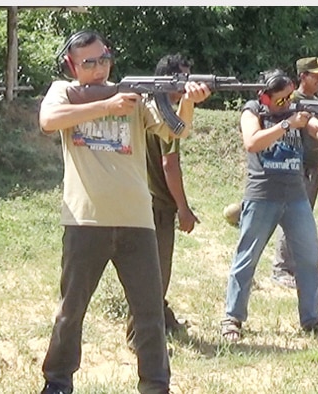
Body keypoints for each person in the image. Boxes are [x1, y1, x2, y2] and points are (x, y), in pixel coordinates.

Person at [37, 30, 210, 394]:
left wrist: (189, 101)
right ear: (71, 65)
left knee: (149, 313)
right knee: (72, 310)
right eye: (89, 62)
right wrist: (107, 106)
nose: (100, 68)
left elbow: (173, 129)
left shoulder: (135, 97)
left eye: (104, 59)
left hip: (137, 220)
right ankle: (57, 382)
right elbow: (49, 120)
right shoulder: (62, 91)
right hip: (86, 219)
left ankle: (155, 384)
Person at [221, 69, 318, 343]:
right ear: (265, 96)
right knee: (246, 259)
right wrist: (287, 124)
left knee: (309, 259)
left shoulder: (295, 110)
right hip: (262, 194)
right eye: (281, 99)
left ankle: (311, 319)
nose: (287, 103)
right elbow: (252, 142)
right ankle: (232, 318)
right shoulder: (252, 111)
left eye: (290, 97)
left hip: (295, 195)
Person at [125, 53, 198, 351]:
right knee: (155, 274)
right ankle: (137, 336)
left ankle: (162, 319)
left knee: (152, 271)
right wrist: (183, 208)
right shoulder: (161, 112)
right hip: (155, 204)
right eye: (182, 78)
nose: (187, 85)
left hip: (141, 199)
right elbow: (170, 166)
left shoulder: (148, 108)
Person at [270, 56, 318, 289]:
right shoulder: (293, 101)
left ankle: (296, 267)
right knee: (292, 220)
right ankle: (282, 269)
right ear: (303, 76)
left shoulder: (314, 102)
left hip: (312, 169)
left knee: (301, 220)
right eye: (316, 76)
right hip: (296, 169)